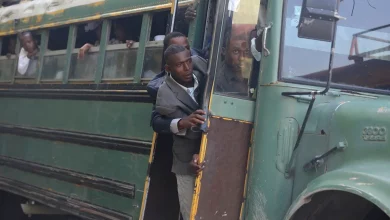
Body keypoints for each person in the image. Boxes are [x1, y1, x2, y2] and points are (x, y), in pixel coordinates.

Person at [155, 44, 207, 220]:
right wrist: (184, 122)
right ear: (168, 69)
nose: (187, 68)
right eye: (179, 65)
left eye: (188, 62)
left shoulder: (200, 66)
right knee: (190, 212)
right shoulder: (165, 95)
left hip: (210, 153)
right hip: (186, 161)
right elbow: (190, 133)